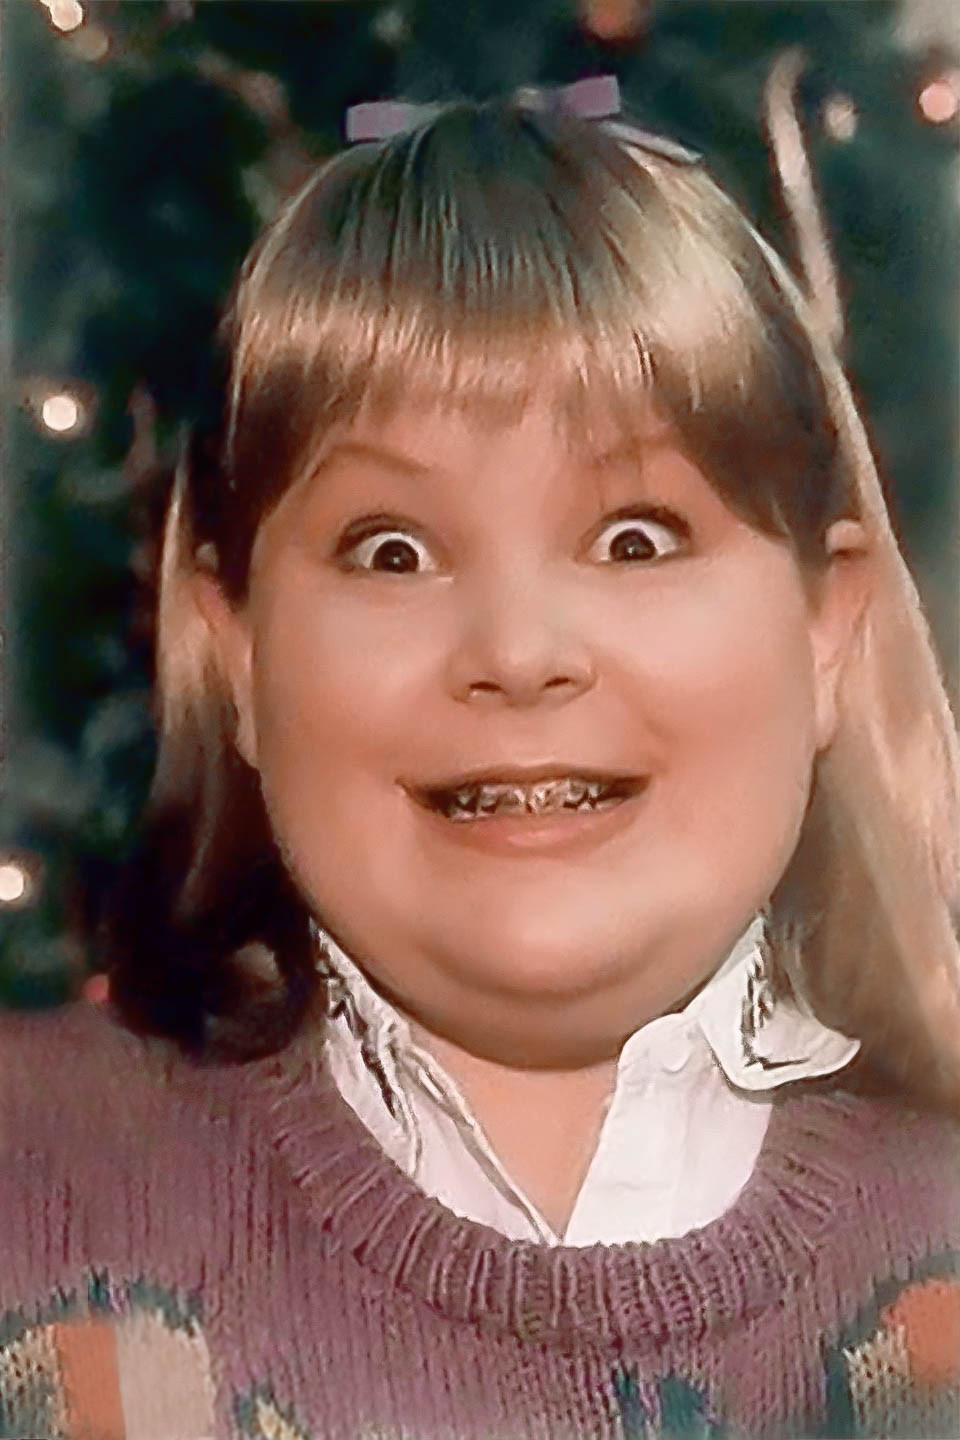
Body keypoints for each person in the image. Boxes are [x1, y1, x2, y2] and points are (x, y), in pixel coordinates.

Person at [1, 76, 958, 1440]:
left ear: (825, 630)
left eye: (634, 538)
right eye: (392, 551)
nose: (516, 651)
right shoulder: (33, 1185)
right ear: (238, 651)